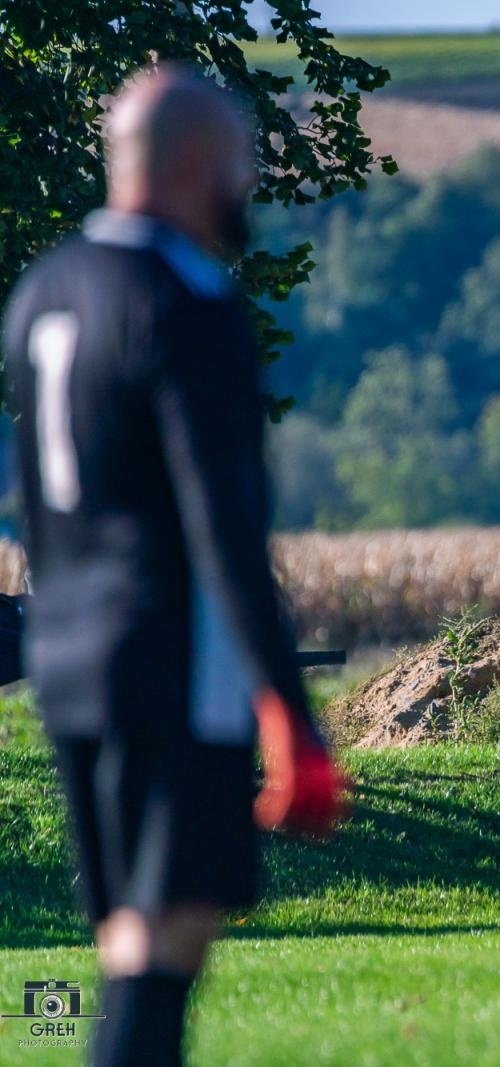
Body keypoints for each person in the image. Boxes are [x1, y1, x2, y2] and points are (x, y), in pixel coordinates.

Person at [3, 67, 343, 1067]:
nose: (247, 184)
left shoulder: (41, 291)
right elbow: (223, 522)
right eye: (242, 161)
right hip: (171, 656)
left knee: (126, 931)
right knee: (168, 933)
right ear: (197, 162)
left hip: (68, 654)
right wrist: (288, 704)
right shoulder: (189, 298)